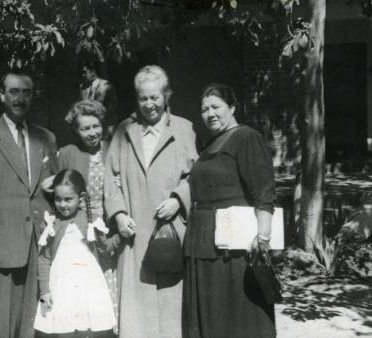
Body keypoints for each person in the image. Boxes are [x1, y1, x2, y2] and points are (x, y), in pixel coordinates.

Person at [104, 65, 198, 338]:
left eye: (155, 97)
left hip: (170, 235)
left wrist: (179, 200)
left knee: (171, 310)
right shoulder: (125, 130)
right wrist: (119, 214)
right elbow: (112, 179)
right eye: (143, 98)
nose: (149, 104)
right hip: (134, 235)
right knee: (136, 314)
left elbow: (197, 177)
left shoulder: (184, 129)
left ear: (167, 95)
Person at [0, 70, 58, 338]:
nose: (20, 98)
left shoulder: (46, 138)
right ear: (1, 95)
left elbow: (53, 186)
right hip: (2, 240)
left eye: (26, 92)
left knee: (32, 316)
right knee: (2, 318)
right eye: (14, 91)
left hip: (38, 239)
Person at [183, 83, 276, 338]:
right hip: (202, 243)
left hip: (233, 246)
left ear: (232, 107)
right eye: (204, 109)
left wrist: (263, 236)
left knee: (236, 316)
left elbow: (264, 192)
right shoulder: (208, 145)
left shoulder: (246, 137)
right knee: (211, 318)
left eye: (216, 107)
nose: (210, 114)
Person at [34, 169, 116, 338]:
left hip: (88, 285)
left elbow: (104, 248)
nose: (62, 205)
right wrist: (44, 291)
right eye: (58, 199)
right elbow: (43, 259)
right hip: (61, 286)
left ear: (81, 197)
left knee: (88, 328)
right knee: (64, 329)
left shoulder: (91, 220)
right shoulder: (51, 223)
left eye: (68, 199)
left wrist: (120, 238)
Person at [80, 61, 118, 136]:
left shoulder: (106, 86)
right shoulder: (83, 87)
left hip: (107, 127)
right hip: (90, 127)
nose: (83, 75)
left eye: (85, 72)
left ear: (93, 72)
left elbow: (110, 109)